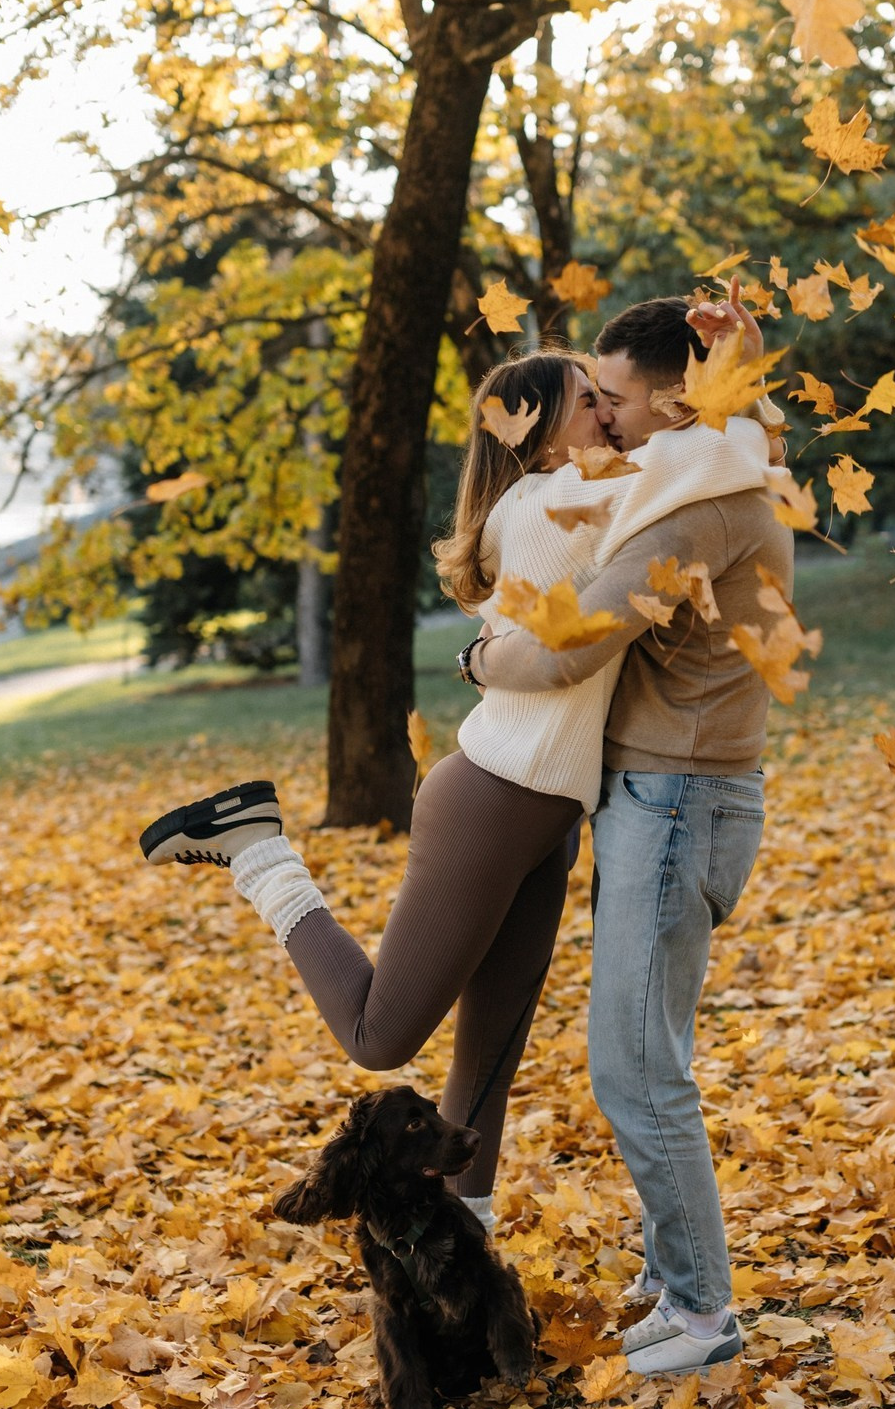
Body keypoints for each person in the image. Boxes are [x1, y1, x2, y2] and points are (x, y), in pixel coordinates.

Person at [138, 338, 773, 1234]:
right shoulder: (561, 501)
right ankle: (259, 851)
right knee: (381, 1038)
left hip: (543, 812)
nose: (609, 413)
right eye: (589, 398)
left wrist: (720, 386)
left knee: (487, 1062)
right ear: (539, 431)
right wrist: (727, 381)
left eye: (610, 397)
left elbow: (704, 463)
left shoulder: (567, 496)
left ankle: (457, 1248)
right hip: (491, 799)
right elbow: (715, 456)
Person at [468, 291, 795, 1375]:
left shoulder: (694, 509)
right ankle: (670, 1273)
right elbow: (738, 411)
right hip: (671, 796)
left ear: (666, 399)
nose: (597, 416)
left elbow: (566, 647)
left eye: (609, 397)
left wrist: (477, 662)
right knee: (648, 1053)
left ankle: (703, 1312)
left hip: (676, 800)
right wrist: (734, 356)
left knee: (632, 1067)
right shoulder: (711, 461)